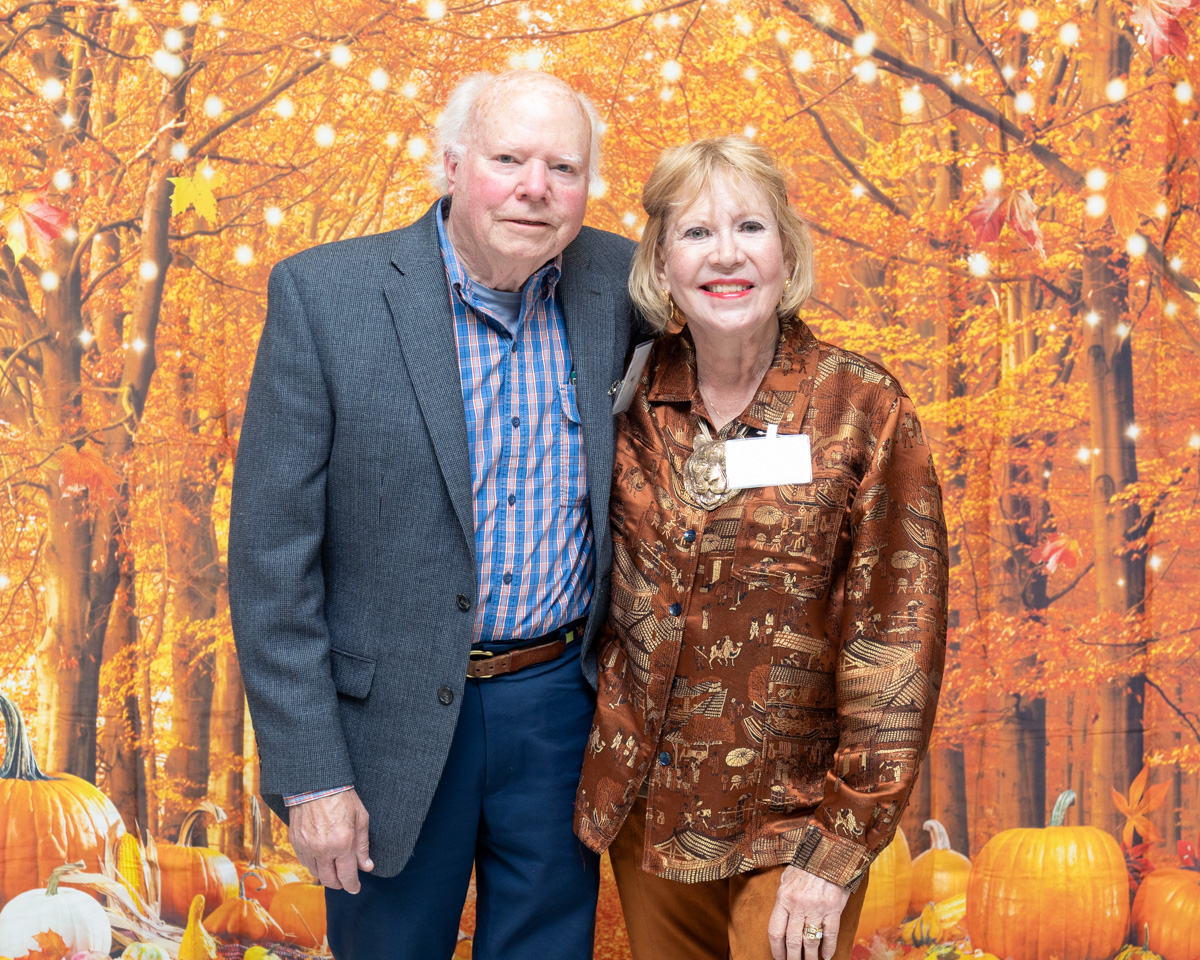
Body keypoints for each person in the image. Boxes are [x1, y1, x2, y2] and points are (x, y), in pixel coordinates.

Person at [228, 70, 639, 959]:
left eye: (564, 168)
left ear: (586, 188)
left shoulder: (625, 284)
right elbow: (270, 565)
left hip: (557, 708)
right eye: (508, 159)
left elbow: (745, 320)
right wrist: (311, 777)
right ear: (452, 165)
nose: (536, 188)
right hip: (388, 726)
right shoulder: (324, 297)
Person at [574, 136, 948, 960]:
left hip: (796, 821)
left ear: (787, 251)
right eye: (696, 233)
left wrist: (839, 848)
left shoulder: (862, 408)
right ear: (661, 262)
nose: (726, 255)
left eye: (750, 227)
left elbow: (898, 643)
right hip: (652, 813)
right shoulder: (628, 399)